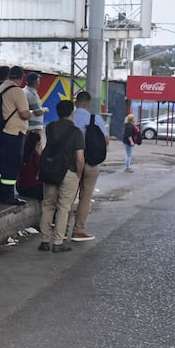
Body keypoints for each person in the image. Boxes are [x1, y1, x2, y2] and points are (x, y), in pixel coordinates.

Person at [38, 100, 84, 253]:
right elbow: (79, 157)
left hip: (50, 169)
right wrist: (78, 173)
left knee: (48, 204)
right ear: (72, 112)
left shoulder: (49, 127)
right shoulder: (76, 132)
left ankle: (44, 241)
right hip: (69, 171)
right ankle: (58, 242)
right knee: (64, 207)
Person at [69, 91, 109, 242]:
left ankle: (62, 229)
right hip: (90, 163)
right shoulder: (95, 119)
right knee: (85, 198)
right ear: (88, 104)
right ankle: (78, 231)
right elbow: (105, 141)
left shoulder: (69, 118)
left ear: (75, 103)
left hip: (71, 163)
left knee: (68, 198)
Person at [0, 66, 31, 205]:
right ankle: (9, 195)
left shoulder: (1, 88)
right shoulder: (17, 91)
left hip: (0, 131)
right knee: (11, 164)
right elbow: (24, 113)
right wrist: (33, 112)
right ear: (21, 78)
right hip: (14, 133)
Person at [23, 72, 48, 148]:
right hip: (33, 128)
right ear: (35, 82)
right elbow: (37, 112)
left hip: (26, 126)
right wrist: (45, 110)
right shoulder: (32, 94)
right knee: (36, 149)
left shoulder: (24, 91)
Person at [17, 130, 43, 200]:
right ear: (37, 143)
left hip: (20, 188)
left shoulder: (22, 153)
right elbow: (42, 170)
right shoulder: (35, 155)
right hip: (32, 188)